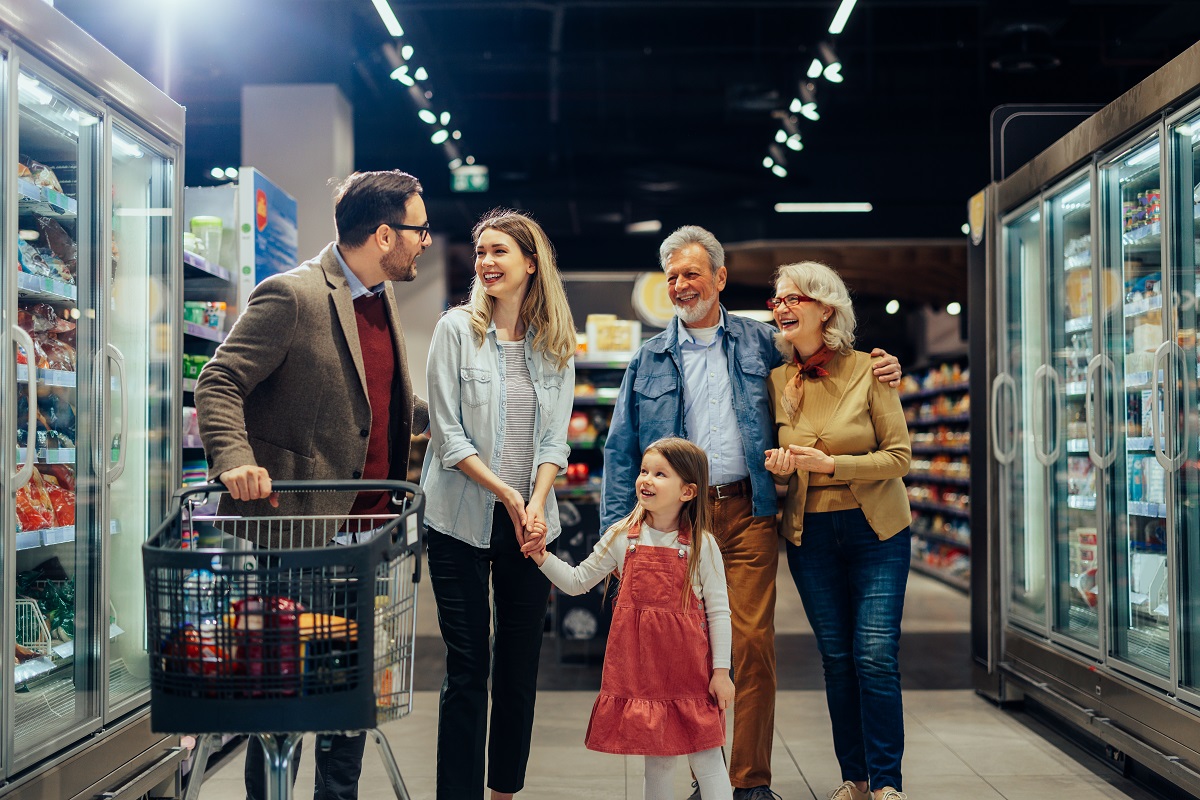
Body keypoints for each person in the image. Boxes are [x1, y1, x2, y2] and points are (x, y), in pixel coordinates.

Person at [602, 225, 901, 799]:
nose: (682, 285)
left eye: (692, 273)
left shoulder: (762, 342)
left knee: (751, 646)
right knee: (686, 653)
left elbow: (827, 359)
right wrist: (619, 535)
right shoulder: (647, 361)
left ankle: (750, 783)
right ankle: (702, 774)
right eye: (672, 277)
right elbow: (620, 449)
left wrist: (882, 365)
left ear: (719, 277)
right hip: (676, 524)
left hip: (747, 512)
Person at [195, 169, 431, 800]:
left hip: (370, 538)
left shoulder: (380, 299)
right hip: (300, 534)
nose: (426, 241)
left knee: (350, 703)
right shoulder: (293, 296)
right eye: (419, 229)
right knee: (283, 706)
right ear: (384, 235)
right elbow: (217, 383)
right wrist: (234, 460)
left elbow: (374, 403)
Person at [420, 209, 576, 799]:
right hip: (459, 520)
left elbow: (553, 439)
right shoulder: (455, 330)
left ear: (531, 264)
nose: (485, 261)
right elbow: (448, 435)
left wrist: (534, 503)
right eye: (481, 251)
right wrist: (510, 494)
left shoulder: (555, 342)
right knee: (467, 669)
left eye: (499, 252)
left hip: (530, 525)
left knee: (517, 670)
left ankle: (503, 791)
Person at [762, 261, 912, 800]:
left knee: (874, 653)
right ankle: (855, 778)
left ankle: (888, 783)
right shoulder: (779, 380)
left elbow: (899, 458)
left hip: (878, 531)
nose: (782, 306)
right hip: (811, 537)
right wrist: (782, 463)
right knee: (837, 659)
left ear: (827, 308)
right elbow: (779, 454)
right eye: (777, 298)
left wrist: (831, 467)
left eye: (794, 298)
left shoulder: (872, 370)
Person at [522, 437, 735, 800]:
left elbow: (719, 612)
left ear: (688, 491)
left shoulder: (701, 545)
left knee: (708, 759)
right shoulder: (622, 538)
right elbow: (576, 582)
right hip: (644, 678)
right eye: (643, 471)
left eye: (659, 474)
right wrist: (542, 558)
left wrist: (721, 672)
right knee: (658, 764)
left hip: (692, 677)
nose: (645, 480)